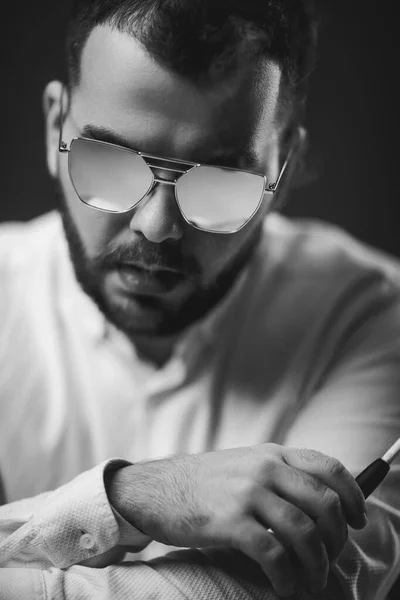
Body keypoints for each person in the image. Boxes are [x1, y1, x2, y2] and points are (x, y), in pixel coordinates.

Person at [0, 0, 399, 598]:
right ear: (56, 124)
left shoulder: (375, 319)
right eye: (108, 162)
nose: (157, 226)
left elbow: (297, 583)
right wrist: (135, 496)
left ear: (282, 172)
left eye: (219, 184)